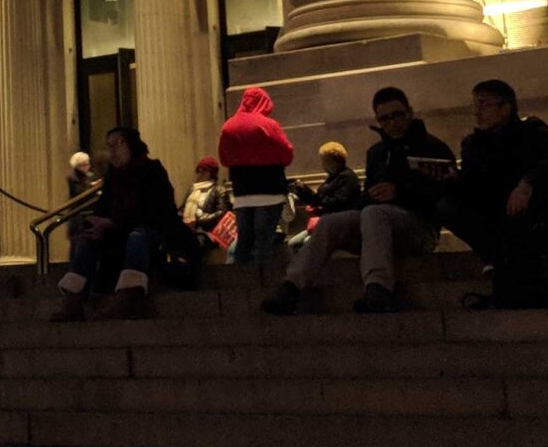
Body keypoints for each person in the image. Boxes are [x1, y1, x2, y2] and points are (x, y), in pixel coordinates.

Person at [262, 88, 454, 317]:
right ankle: (291, 287)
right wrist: (369, 197)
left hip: (419, 226)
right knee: (331, 223)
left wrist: (399, 192)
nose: (392, 123)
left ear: (410, 113)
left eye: (397, 115)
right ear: (378, 121)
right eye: (385, 118)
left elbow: (445, 193)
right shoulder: (377, 153)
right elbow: (365, 198)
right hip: (376, 223)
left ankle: (379, 289)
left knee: (374, 214)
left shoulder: (432, 147)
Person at [444, 79, 548, 309]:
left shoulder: (531, 131)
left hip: (533, 209)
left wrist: (527, 183)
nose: (477, 113)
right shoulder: (474, 144)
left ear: (505, 108)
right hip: (494, 211)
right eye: (475, 105)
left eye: (484, 105)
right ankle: (496, 261)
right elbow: (474, 186)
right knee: (448, 206)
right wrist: (453, 180)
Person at [51, 128, 187, 322]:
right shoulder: (113, 178)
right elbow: (103, 209)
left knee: (137, 236)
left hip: (151, 233)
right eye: (109, 145)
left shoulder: (152, 170)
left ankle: (129, 297)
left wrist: (113, 222)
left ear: (131, 144)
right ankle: (74, 298)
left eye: (118, 143)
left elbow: (157, 211)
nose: (112, 150)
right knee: (87, 239)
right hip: (118, 234)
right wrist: (97, 226)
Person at [217, 86, 296, 271]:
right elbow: (286, 154)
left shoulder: (229, 126)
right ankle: (262, 284)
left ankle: (239, 284)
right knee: (264, 242)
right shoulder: (268, 125)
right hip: (269, 190)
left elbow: (224, 158)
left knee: (244, 242)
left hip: (242, 193)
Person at [182, 157, 232, 234]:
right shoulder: (193, 189)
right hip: (189, 228)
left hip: (207, 232)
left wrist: (198, 219)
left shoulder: (218, 190)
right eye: (199, 171)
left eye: (204, 170)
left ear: (212, 173)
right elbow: (182, 208)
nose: (200, 173)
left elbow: (222, 213)